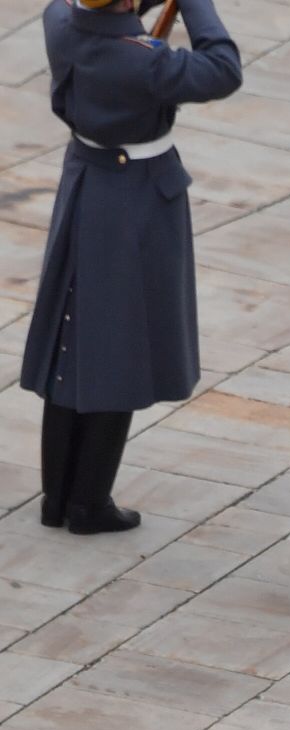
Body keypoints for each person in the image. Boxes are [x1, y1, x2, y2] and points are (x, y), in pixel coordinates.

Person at [25, 0, 241, 534]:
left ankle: (60, 497)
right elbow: (224, 67)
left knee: (71, 343)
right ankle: (89, 502)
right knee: (121, 347)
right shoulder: (142, 60)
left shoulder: (60, 21)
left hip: (86, 181)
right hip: (134, 199)